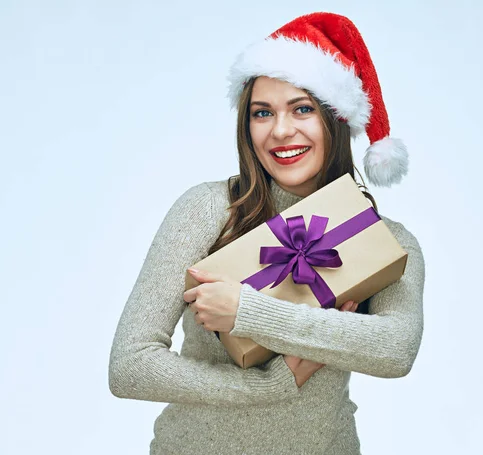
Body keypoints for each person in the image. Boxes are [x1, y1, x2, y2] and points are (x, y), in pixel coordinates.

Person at [108, 12, 425, 455]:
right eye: (262, 113)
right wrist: (271, 384)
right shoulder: (209, 210)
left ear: (335, 118)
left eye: (302, 109)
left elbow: (396, 350)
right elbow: (130, 366)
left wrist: (248, 312)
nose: (280, 131)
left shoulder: (382, 240)